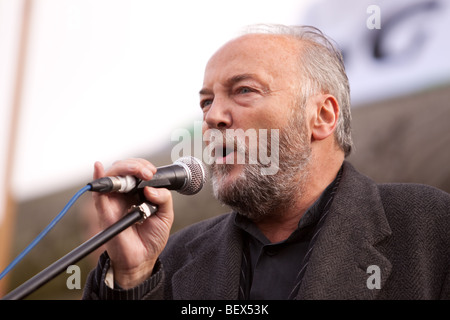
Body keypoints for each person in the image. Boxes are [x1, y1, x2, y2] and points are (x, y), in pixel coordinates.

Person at [83, 24, 450, 300]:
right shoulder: (172, 260)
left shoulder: (428, 226)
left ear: (322, 116)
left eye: (244, 90)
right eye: (206, 102)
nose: (212, 117)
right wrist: (132, 275)